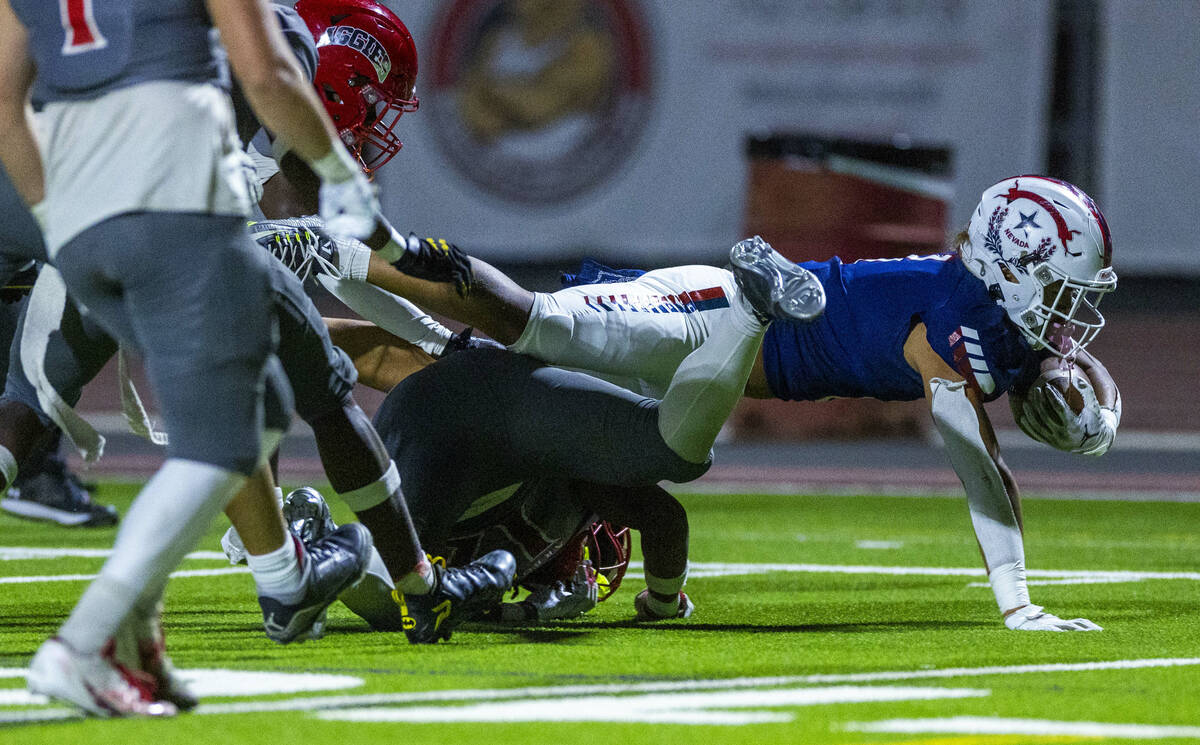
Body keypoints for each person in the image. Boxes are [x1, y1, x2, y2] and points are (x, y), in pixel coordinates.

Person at [261, 175, 1120, 632]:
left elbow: (1029, 381)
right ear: (1020, 265)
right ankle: (348, 250)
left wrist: (1057, 387)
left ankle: (314, 287)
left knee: (491, 364)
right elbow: (972, 451)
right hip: (705, 316)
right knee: (535, 323)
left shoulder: (996, 318)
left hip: (693, 374)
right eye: (1067, 290)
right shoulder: (966, 317)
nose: (1075, 313)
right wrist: (1015, 596)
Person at [0, 0, 514, 655]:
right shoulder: (274, 44)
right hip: (157, 210)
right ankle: (391, 585)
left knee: (27, 405)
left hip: (49, 188)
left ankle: (281, 576)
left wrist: (59, 219)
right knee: (293, 389)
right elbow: (329, 237)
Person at [298, 236, 826, 633]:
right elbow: (664, 518)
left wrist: (510, 606)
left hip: (436, 418)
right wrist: (665, 602)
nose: (579, 567)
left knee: (409, 596)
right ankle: (751, 311)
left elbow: (406, 349)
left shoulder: (554, 500)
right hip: (499, 399)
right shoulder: (586, 481)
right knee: (673, 452)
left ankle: (313, 540)